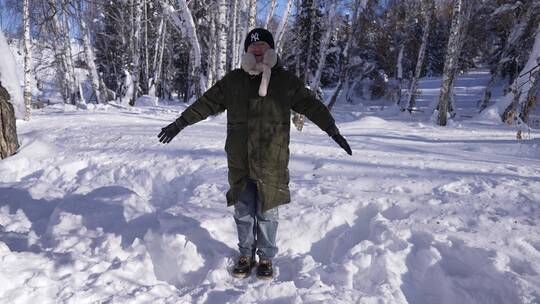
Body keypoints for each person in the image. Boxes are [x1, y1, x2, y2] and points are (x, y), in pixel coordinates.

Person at [158, 28, 352, 280]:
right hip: (240, 159)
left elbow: (312, 106)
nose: (257, 49)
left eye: (262, 45)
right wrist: (179, 123)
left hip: (272, 158)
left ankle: (267, 258)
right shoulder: (234, 80)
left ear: (270, 49)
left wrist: (332, 130)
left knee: (268, 211)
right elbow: (205, 104)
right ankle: (245, 255)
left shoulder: (284, 81)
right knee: (243, 209)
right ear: (247, 50)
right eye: (253, 46)